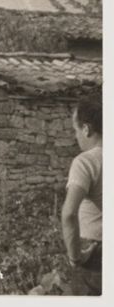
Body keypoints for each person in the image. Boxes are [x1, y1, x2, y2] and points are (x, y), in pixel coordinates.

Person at [61, 93, 102, 295]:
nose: (75, 136)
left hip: (96, 256)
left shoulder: (86, 162)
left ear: (86, 129)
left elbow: (69, 214)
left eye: (76, 130)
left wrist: (75, 257)